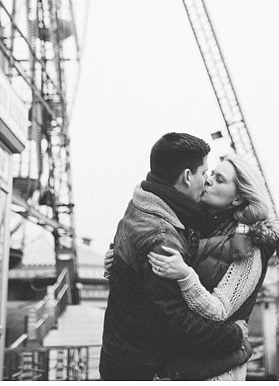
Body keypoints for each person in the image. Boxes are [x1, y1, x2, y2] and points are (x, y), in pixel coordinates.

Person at [99, 133, 251, 381]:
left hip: (120, 356)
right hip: (141, 368)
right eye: (205, 173)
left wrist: (120, 266)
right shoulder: (162, 238)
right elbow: (175, 324)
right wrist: (235, 335)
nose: (208, 181)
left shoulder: (143, 201)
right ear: (188, 176)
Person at [147, 153, 279, 380]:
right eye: (211, 174)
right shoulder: (197, 227)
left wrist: (185, 275)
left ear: (237, 199)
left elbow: (220, 310)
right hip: (185, 364)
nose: (208, 180)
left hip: (218, 371)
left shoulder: (249, 245)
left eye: (220, 179)